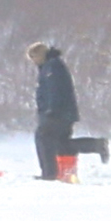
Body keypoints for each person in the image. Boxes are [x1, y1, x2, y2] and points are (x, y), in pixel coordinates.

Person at [30, 41, 79, 180]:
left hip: (57, 113)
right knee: (62, 143)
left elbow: (54, 89)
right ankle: (65, 173)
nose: (33, 62)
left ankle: (49, 173)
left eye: (33, 58)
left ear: (39, 55)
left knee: (43, 138)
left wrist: (51, 109)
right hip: (64, 112)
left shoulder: (52, 67)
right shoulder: (51, 65)